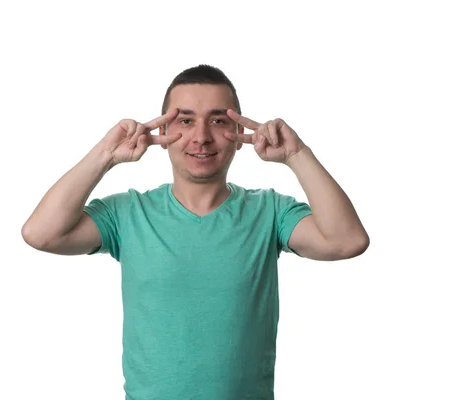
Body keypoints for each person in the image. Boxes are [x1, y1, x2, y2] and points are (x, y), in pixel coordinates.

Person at [21, 64, 369, 399]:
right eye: (185, 121)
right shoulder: (128, 213)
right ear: (162, 135)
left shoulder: (270, 212)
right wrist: (106, 155)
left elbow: (347, 241)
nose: (201, 137)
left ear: (238, 137)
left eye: (218, 121)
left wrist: (296, 154)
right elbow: (42, 234)